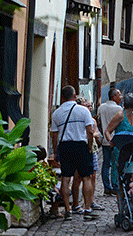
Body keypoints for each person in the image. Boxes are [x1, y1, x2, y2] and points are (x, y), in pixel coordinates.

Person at [50, 85, 99, 221]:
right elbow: (89, 131)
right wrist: (89, 146)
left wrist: (55, 153)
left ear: (62, 97)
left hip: (65, 146)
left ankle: (67, 210)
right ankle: (88, 209)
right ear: (75, 95)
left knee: (66, 178)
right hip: (81, 145)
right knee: (86, 177)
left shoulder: (57, 113)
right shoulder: (83, 111)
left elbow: (54, 136)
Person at [70, 97, 104, 213]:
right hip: (83, 148)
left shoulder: (92, 120)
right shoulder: (79, 118)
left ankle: (90, 201)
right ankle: (77, 204)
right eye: (87, 106)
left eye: (90, 106)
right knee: (78, 178)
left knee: (92, 176)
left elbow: (96, 133)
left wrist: (94, 134)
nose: (89, 108)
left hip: (92, 149)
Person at [104, 92, 133, 193]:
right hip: (120, 148)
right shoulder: (121, 115)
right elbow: (108, 131)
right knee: (118, 170)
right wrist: (111, 142)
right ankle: (117, 190)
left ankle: (130, 190)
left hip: (132, 147)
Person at [97, 87, 123, 196]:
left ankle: (106, 187)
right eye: (119, 95)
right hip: (115, 140)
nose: (121, 97)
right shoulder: (118, 110)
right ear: (114, 97)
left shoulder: (101, 108)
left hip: (105, 140)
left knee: (106, 164)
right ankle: (115, 186)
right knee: (116, 164)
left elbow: (98, 122)